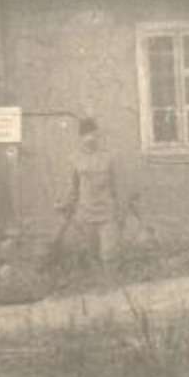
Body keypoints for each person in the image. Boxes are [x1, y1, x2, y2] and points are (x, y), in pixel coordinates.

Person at [57, 118, 120, 278]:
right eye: (86, 135)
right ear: (80, 137)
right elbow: (73, 188)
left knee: (109, 253)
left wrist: (118, 209)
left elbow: (116, 186)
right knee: (94, 253)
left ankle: (111, 287)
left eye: (93, 135)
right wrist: (66, 205)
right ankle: (100, 285)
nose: (90, 139)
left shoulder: (108, 158)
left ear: (97, 136)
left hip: (107, 212)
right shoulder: (74, 159)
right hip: (87, 213)